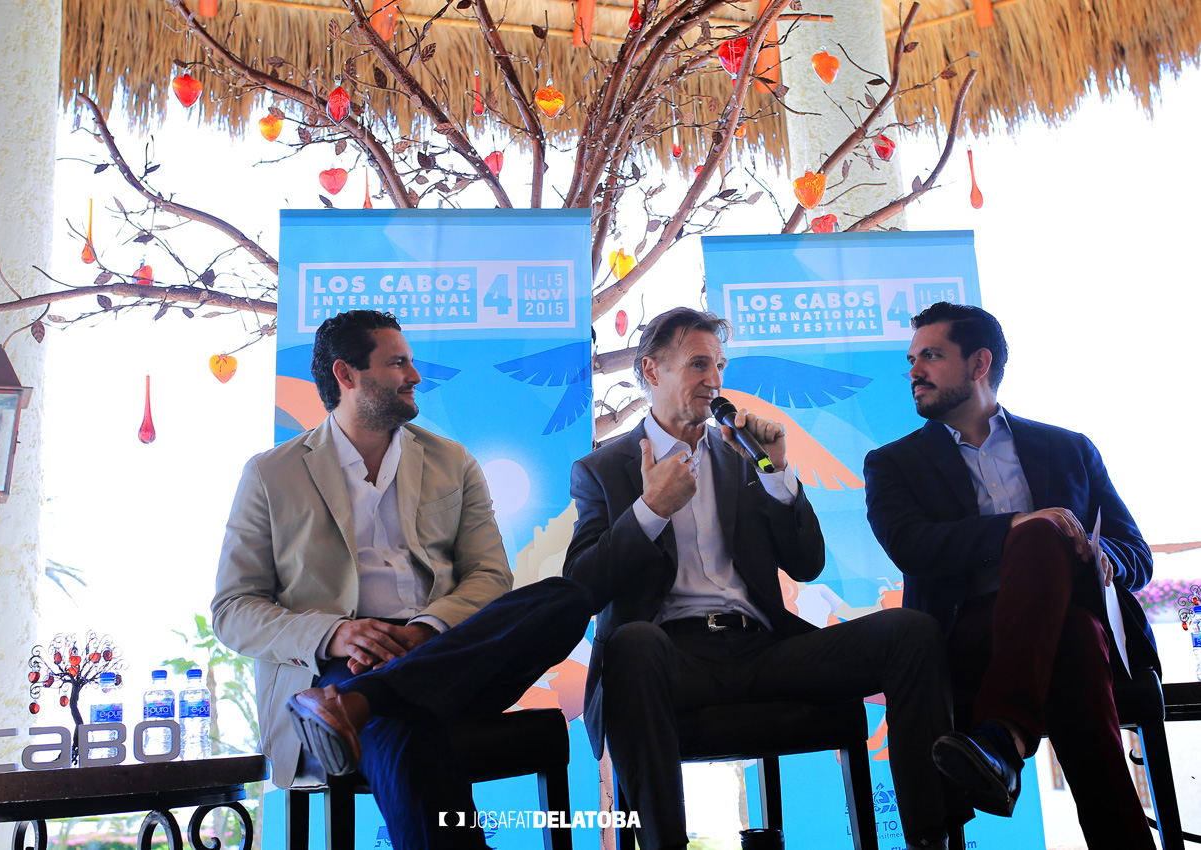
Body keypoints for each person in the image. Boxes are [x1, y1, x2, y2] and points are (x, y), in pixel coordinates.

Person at [563, 306, 962, 850]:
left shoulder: (743, 456)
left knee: (911, 632)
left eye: (720, 366)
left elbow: (807, 564)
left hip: (762, 650)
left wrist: (776, 473)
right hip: (668, 658)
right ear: (652, 371)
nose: (715, 380)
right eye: (699, 365)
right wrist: (651, 508)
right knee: (633, 645)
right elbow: (583, 585)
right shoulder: (603, 469)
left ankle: (929, 838)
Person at [212, 309, 592, 850]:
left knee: (566, 596)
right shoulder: (271, 473)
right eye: (398, 363)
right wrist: (334, 634)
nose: (415, 375)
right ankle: (367, 699)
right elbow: (233, 609)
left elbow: (489, 577)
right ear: (346, 375)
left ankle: (365, 699)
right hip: (334, 664)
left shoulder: (452, 461)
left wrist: (423, 632)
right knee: (402, 727)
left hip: (444, 649)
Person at [863, 301, 1158, 850]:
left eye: (930, 356)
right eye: (911, 359)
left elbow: (1137, 556)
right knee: (1061, 603)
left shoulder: (1068, 448)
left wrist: (1094, 554)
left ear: (979, 364)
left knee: (1070, 625)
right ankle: (1014, 743)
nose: (914, 371)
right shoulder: (892, 463)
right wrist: (1019, 526)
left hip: (1080, 621)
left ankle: (1002, 738)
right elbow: (910, 546)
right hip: (969, 635)